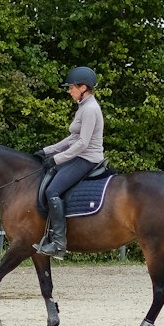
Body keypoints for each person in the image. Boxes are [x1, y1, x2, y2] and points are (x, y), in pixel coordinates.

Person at [33, 66, 105, 256]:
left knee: (52, 190)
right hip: (80, 155)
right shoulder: (83, 107)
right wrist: (46, 151)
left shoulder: (90, 109)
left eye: (71, 87)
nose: (69, 91)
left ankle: (58, 243)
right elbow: (73, 138)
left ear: (83, 88)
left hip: (87, 158)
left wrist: (56, 159)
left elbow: (82, 143)